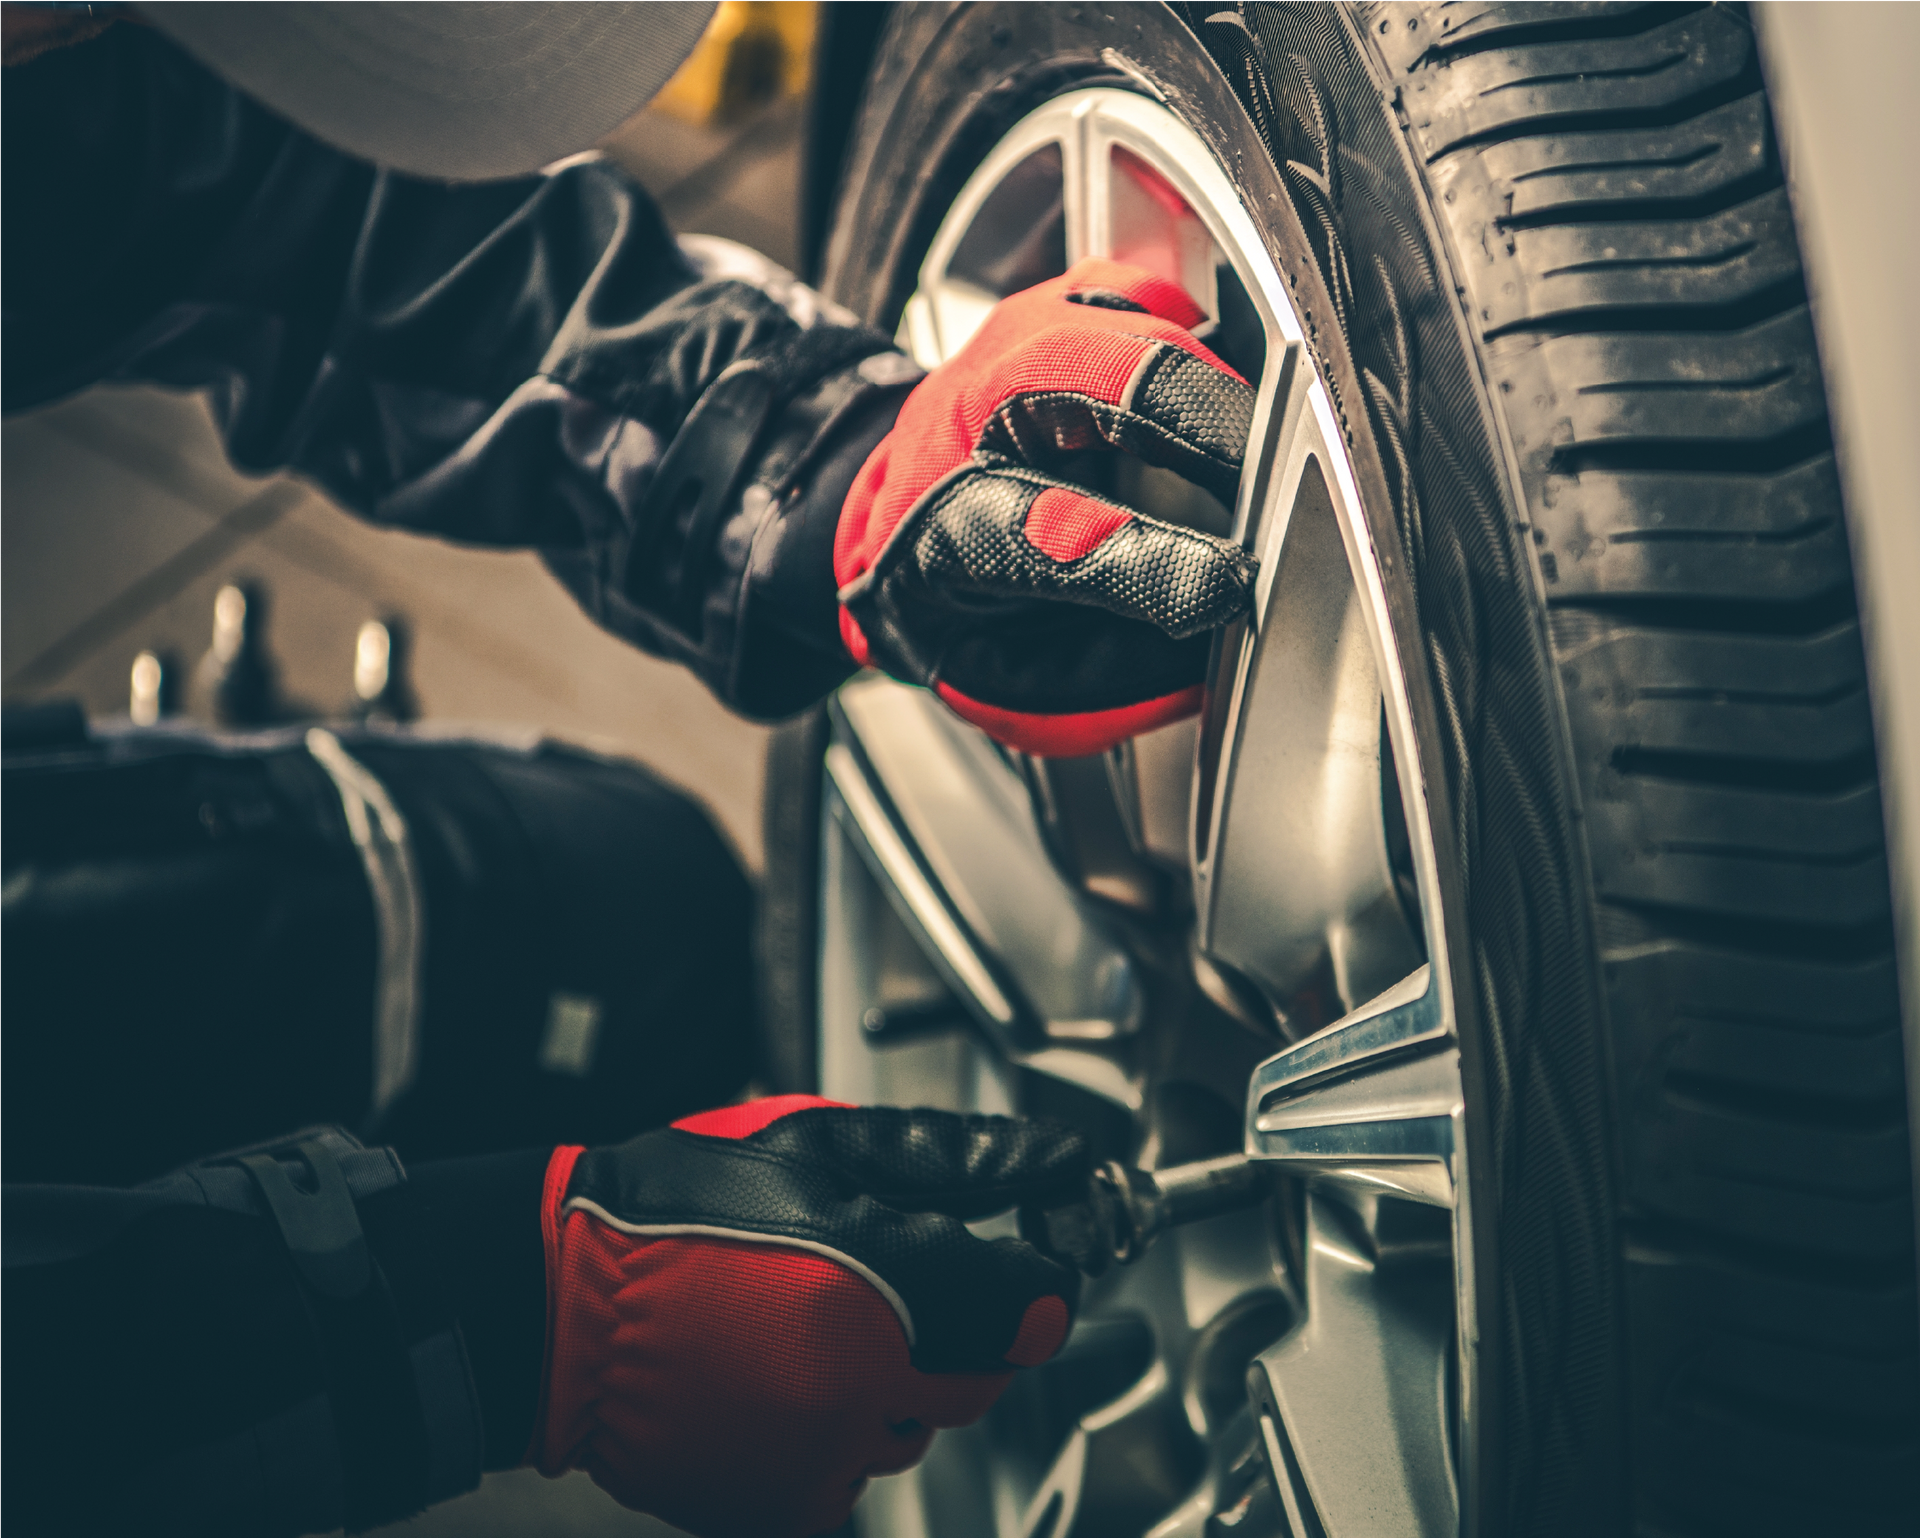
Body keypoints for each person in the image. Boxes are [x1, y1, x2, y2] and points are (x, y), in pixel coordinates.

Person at [0, 1, 1258, 1534]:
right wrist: (501, 1316)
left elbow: (253, 202)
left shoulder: (56, 84)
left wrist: (817, 468)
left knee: (634, 930)